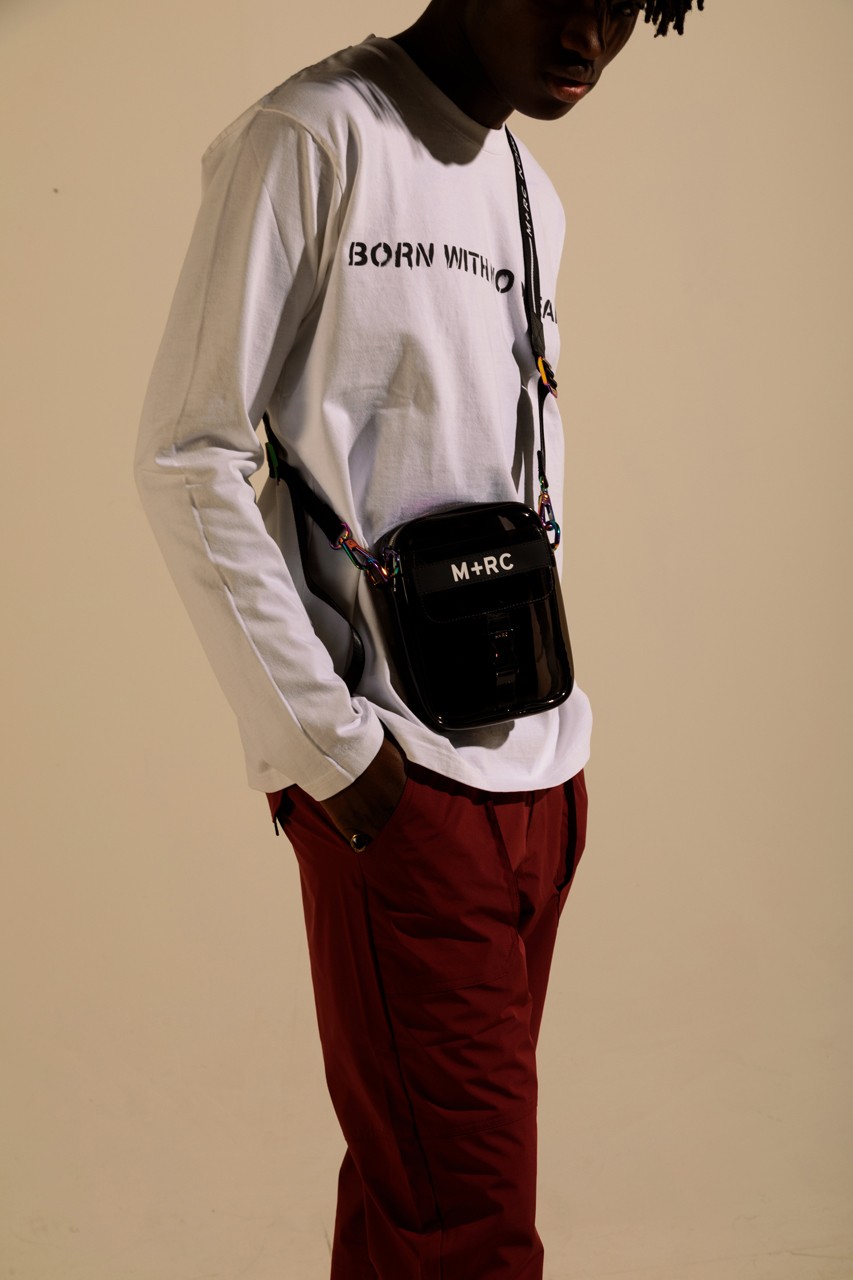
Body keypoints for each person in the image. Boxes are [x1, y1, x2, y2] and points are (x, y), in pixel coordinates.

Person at [134, 1, 703, 1275]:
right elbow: (186, 452)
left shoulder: (529, 191)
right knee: (470, 1237)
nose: (590, 36)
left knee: (416, 1211)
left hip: (541, 776)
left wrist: (554, 772)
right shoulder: (310, 138)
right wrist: (328, 751)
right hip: (399, 784)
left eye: (626, 2)